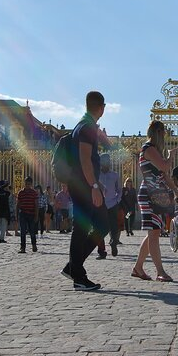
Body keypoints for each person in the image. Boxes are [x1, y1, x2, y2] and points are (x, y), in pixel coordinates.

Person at [61, 91, 110, 291]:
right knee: (83, 227)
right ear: (102, 108)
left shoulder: (83, 125)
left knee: (102, 223)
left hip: (83, 184)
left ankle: (73, 267)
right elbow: (84, 159)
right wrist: (95, 186)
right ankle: (78, 276)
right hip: (84, 186)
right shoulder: (87, 127)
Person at [132, 119, 178, 282]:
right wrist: (170, 156)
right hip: (149, 195)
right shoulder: (149, 149)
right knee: (154, 233)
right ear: (158, 132)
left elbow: (164, 176)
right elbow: (165, 168)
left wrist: (176, 191)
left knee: (154, 232)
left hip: (157, 195)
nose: (165, 135)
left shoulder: (154, 150)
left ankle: (138, 268)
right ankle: (160, 271)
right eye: (164, 132)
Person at [97, 153, 121, 259]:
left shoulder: (115, 175)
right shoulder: (97, 175)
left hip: (112, 204)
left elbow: (119, 189)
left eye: (107, 161)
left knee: (114, 227)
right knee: (99, 228)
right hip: (100, 204)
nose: (105, 164)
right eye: (103, 161)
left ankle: (113, 242)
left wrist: (117, 200)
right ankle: (101, 251)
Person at [16, 176, 39, 253]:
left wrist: (36, 215)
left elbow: (36, 205)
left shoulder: (34, 193)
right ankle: (22, 247)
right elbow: (18, 204)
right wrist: (16, 214)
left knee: (32, 231)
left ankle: (34, 245)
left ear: (31, 184)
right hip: (23, 213)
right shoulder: (21, 193)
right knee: (23, 231)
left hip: (31, 214)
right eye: (26, 184)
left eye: (29, 184)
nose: (27, 185)